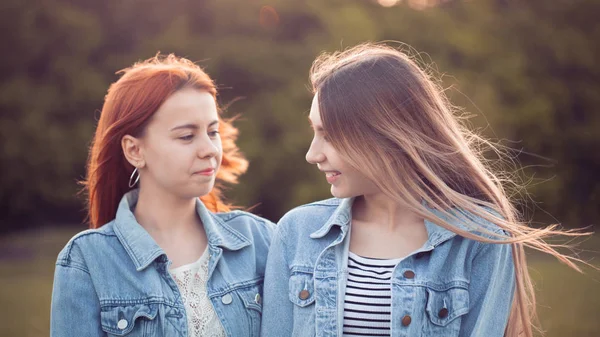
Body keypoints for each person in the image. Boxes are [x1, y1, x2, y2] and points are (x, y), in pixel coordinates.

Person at [260, 43, 588, 337]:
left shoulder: (479, 237)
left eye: (329, 135)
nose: (312, 154)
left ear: (386, 134)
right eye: (314, 132)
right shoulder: (298, 232)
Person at [51, 54, 273, 337]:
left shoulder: (260, 241)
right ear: (134, 150)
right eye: (186, 136)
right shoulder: (87, 261)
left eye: (212, 131)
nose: (210, 149)